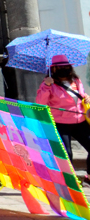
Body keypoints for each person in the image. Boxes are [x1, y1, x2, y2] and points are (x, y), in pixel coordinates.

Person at [36, 54, 90, 184]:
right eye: (60, 67)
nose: (64, 69)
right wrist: (47, 87)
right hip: (61, 124)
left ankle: (89, 177)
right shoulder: (48, 84)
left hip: (80, 120)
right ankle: (69, 182)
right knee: (66, 154)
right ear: (53, 69)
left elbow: (81, 96)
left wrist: (86, 97)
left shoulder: (76, 80)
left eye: (66, 66)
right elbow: (41, 103)